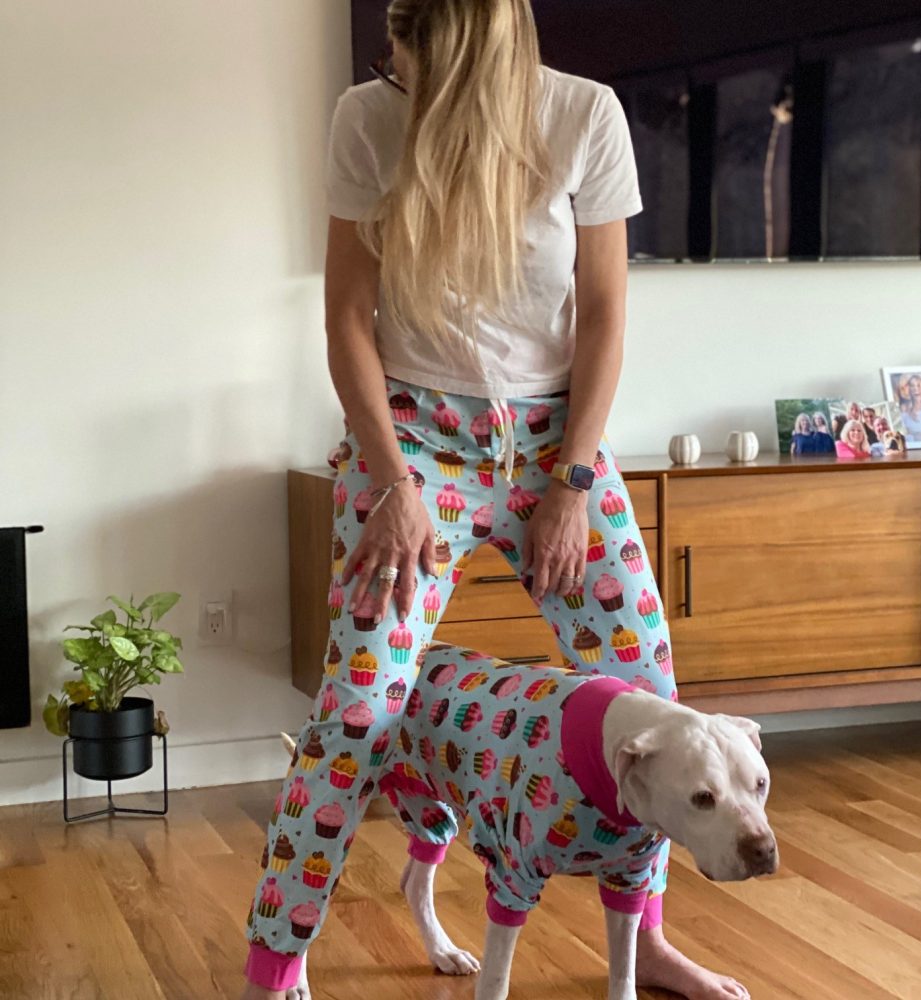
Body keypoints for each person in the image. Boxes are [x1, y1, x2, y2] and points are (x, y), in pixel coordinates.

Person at [240, 3, 750, 999]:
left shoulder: (582, 117)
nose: (389, 53)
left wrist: (568, 481)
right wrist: (391, 482)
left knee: (645, 699)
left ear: (466, 48)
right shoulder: (368, 118)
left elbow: (603, 314)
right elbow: (346, 314)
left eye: (408, 34)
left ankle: (643, 943)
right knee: (358, 709)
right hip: (413, 439)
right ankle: (274, 959)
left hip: (558, 441)